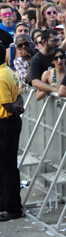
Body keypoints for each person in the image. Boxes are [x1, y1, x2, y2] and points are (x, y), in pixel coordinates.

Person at [0, 44, 24, 221]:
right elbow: (19, 97)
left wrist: (14, 108)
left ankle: (13, 207)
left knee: (7, 167)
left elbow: (8, 105)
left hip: (6, 124)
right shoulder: (8, 71)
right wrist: (17, 107)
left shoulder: (1, 76)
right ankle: (4, 202)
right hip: (10, 122)